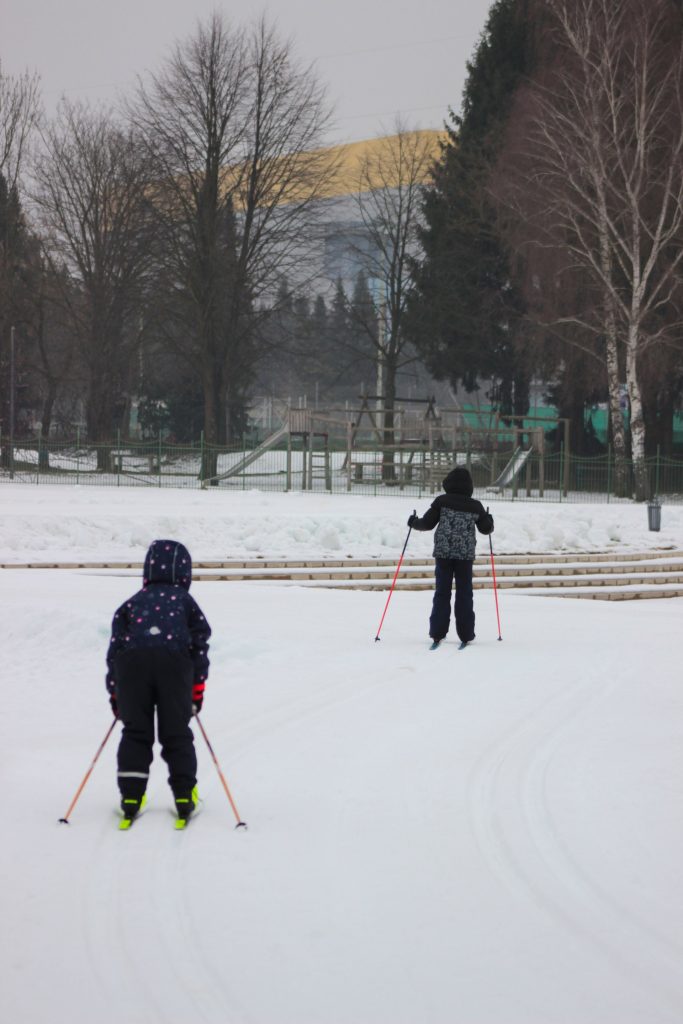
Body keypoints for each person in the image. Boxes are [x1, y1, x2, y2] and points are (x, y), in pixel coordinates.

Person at [105, 539, 211, 823]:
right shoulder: (185, 603)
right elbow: (199, 646)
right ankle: (185, 796)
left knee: (135, 732)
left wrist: (116, 693)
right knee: (176, 733)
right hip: (174, 665)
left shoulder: (132, 604)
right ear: (185, 573)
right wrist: (196, 690)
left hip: (132, 666)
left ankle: (131, 797)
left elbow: (115, 650)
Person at [408, 467, 494, 647]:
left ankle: (437, 632)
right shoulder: (475, 506)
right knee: (464, 593)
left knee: (442, 592)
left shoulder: (441, 501)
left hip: (443, 553)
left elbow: (427, 524)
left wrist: (413, 522)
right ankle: (466, 634)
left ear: (448, 483)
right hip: (465, 556)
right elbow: (486, 529)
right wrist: (489, 519)